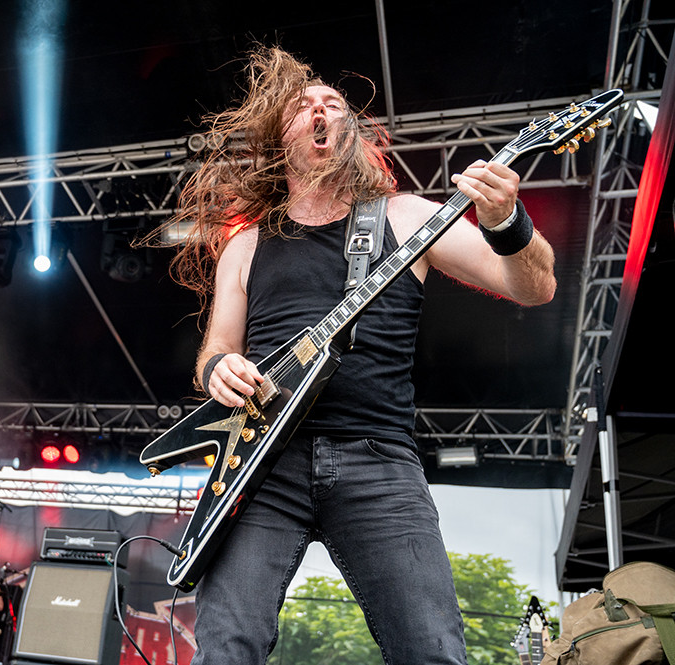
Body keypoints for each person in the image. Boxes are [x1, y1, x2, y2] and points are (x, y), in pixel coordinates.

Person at [163, 46, 556, 665]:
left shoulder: (408, 217)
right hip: (263, 465)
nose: (321, 109)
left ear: (352, 132)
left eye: (334, 103)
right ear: (281, 138)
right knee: (225, 648)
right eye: (304, 105)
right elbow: (217, 348)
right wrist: (218, 371)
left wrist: (507, 220)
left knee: (432, 649)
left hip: (379, 460)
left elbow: (535, 286)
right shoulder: (247, 243)